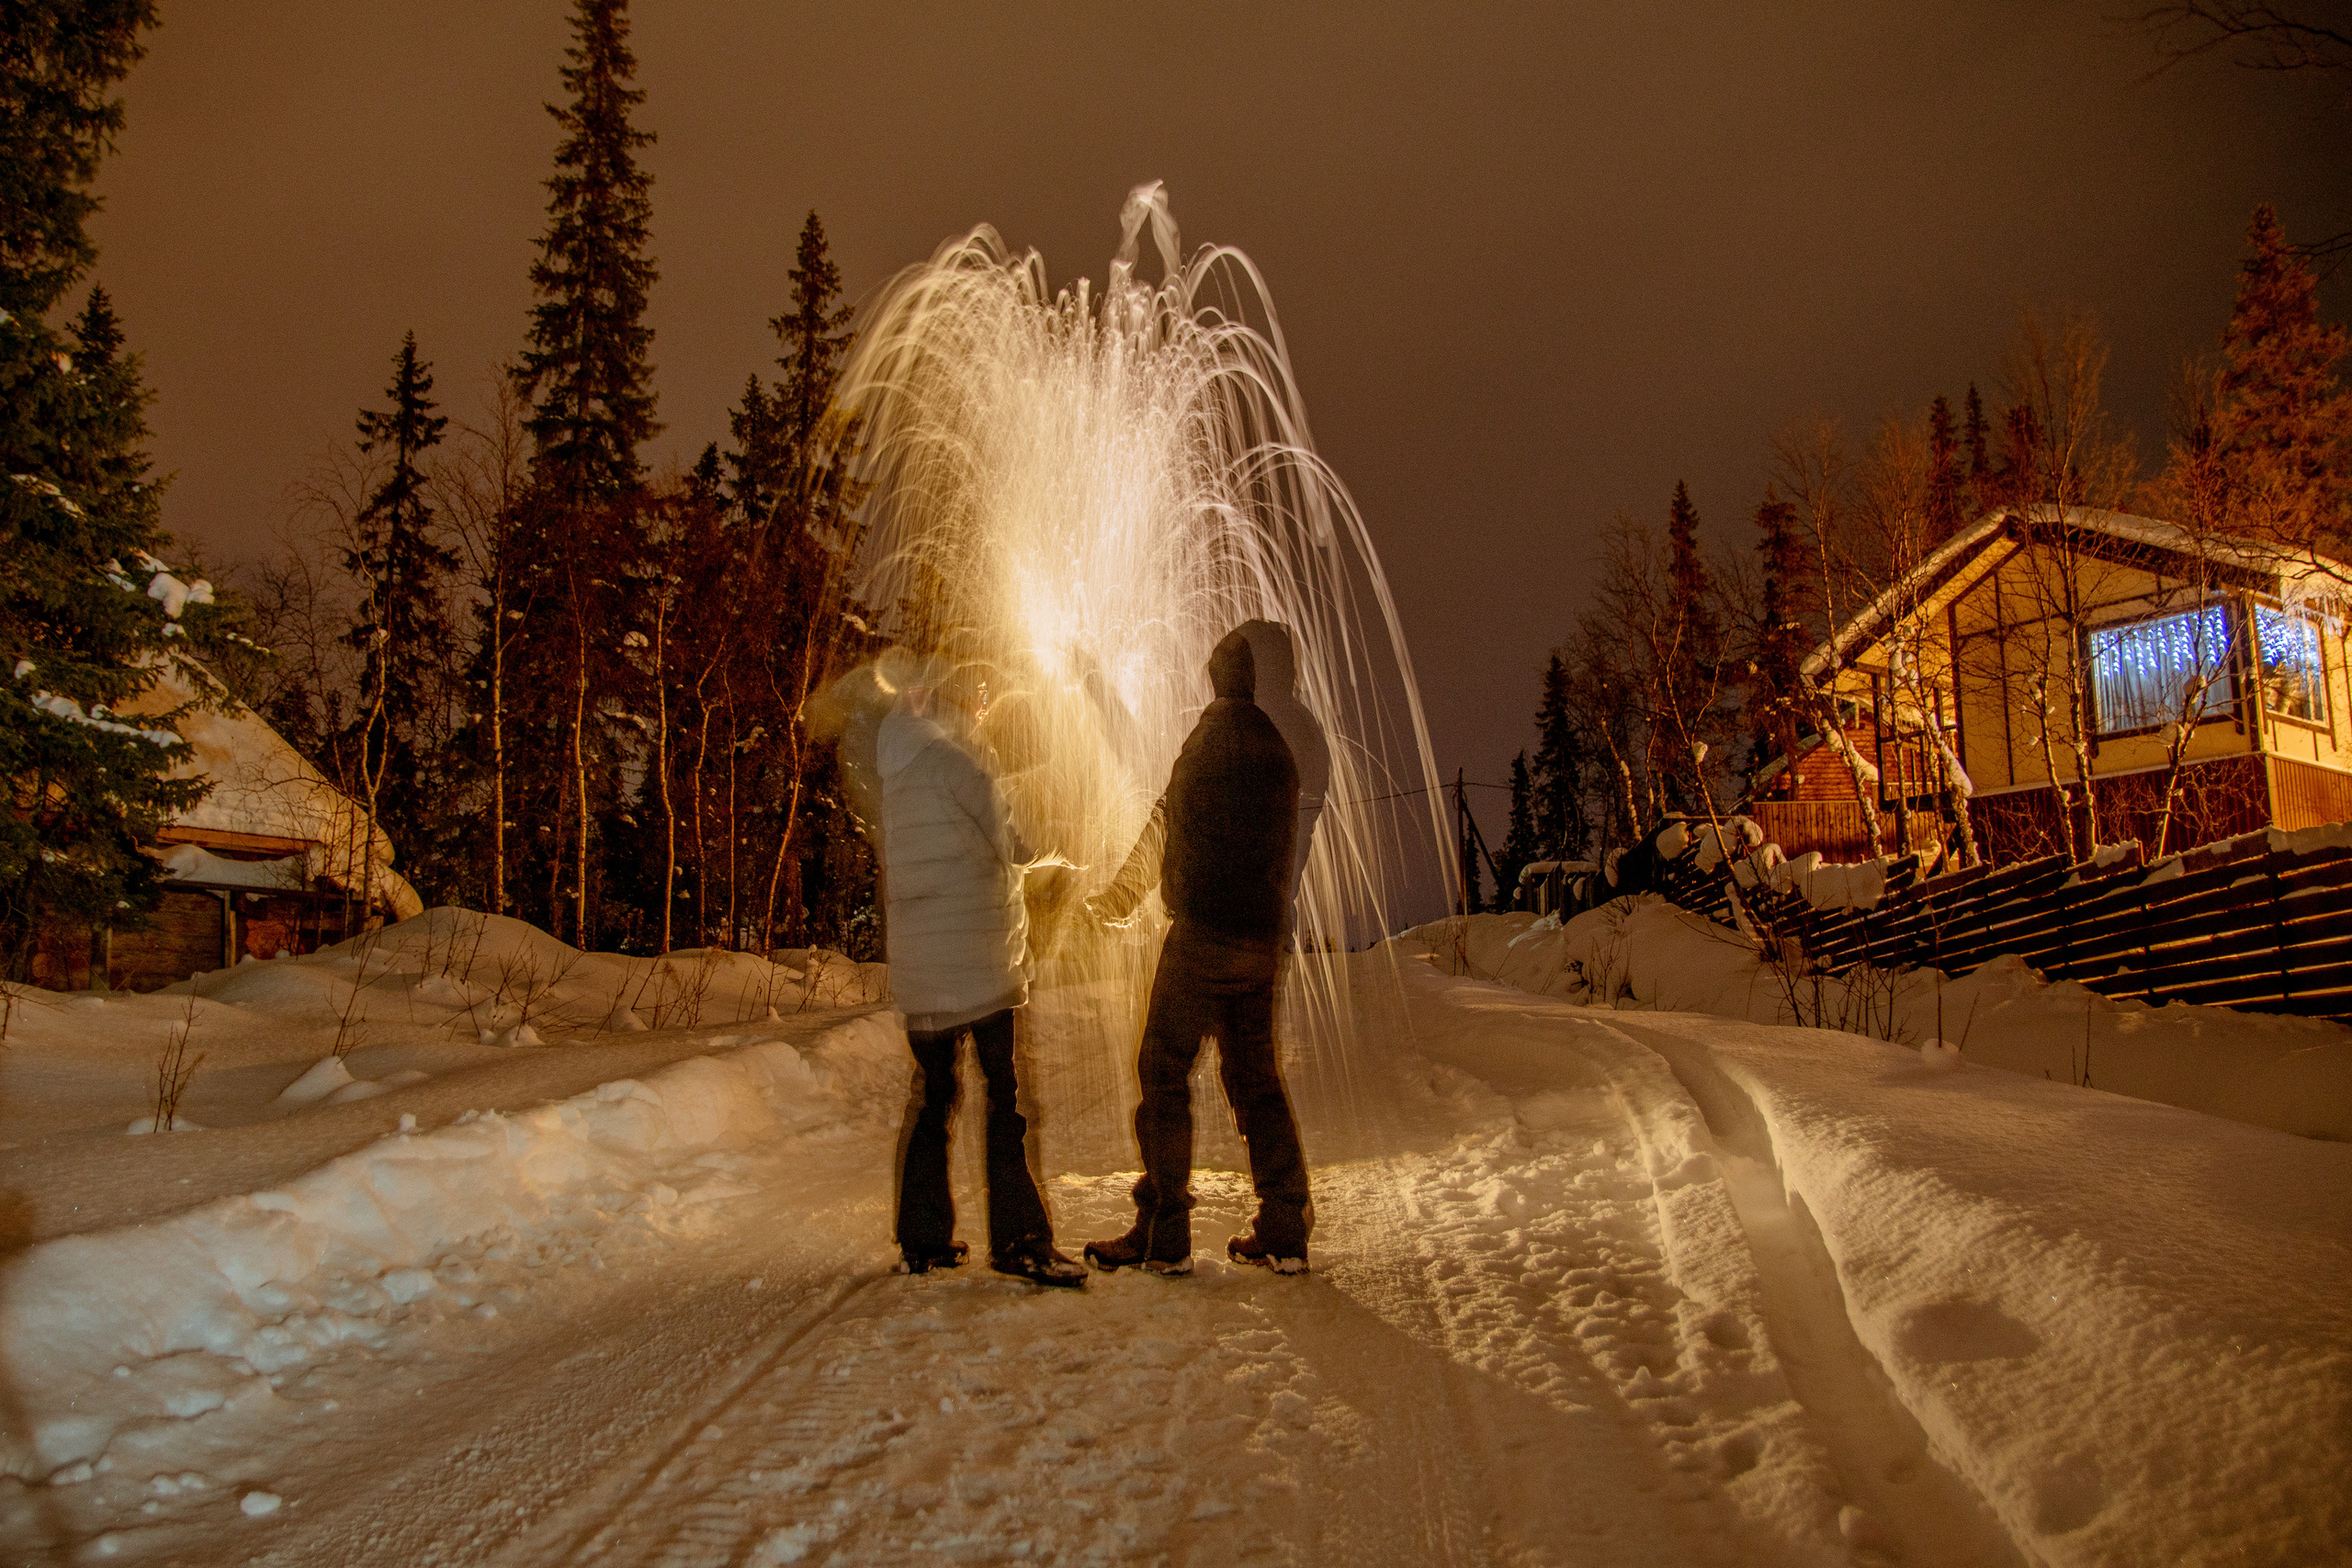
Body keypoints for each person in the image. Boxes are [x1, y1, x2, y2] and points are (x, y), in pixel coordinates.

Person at [1083, 626, 1313, 1276]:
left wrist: (1129, 897)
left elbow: (1167, 824)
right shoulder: (1278, 752)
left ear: (1216, 680)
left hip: (1205, 936)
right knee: (1255, 1080)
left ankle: (1164, 1230)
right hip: (1261, 942)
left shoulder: (1205, 744)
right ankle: (1284, 1224)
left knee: (1161, 1065)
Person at [876, 658, 1084, 1289]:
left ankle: (923, 1239)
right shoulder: (958, 762)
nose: (985, 707)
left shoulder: (900, 772)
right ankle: (1021, 1241)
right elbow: (1015, 841)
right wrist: (1065, 845)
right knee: (1005, 1097)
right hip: (978, 967)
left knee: (933, 1097)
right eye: (980, 696)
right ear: (956, 702)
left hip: (922, 970)